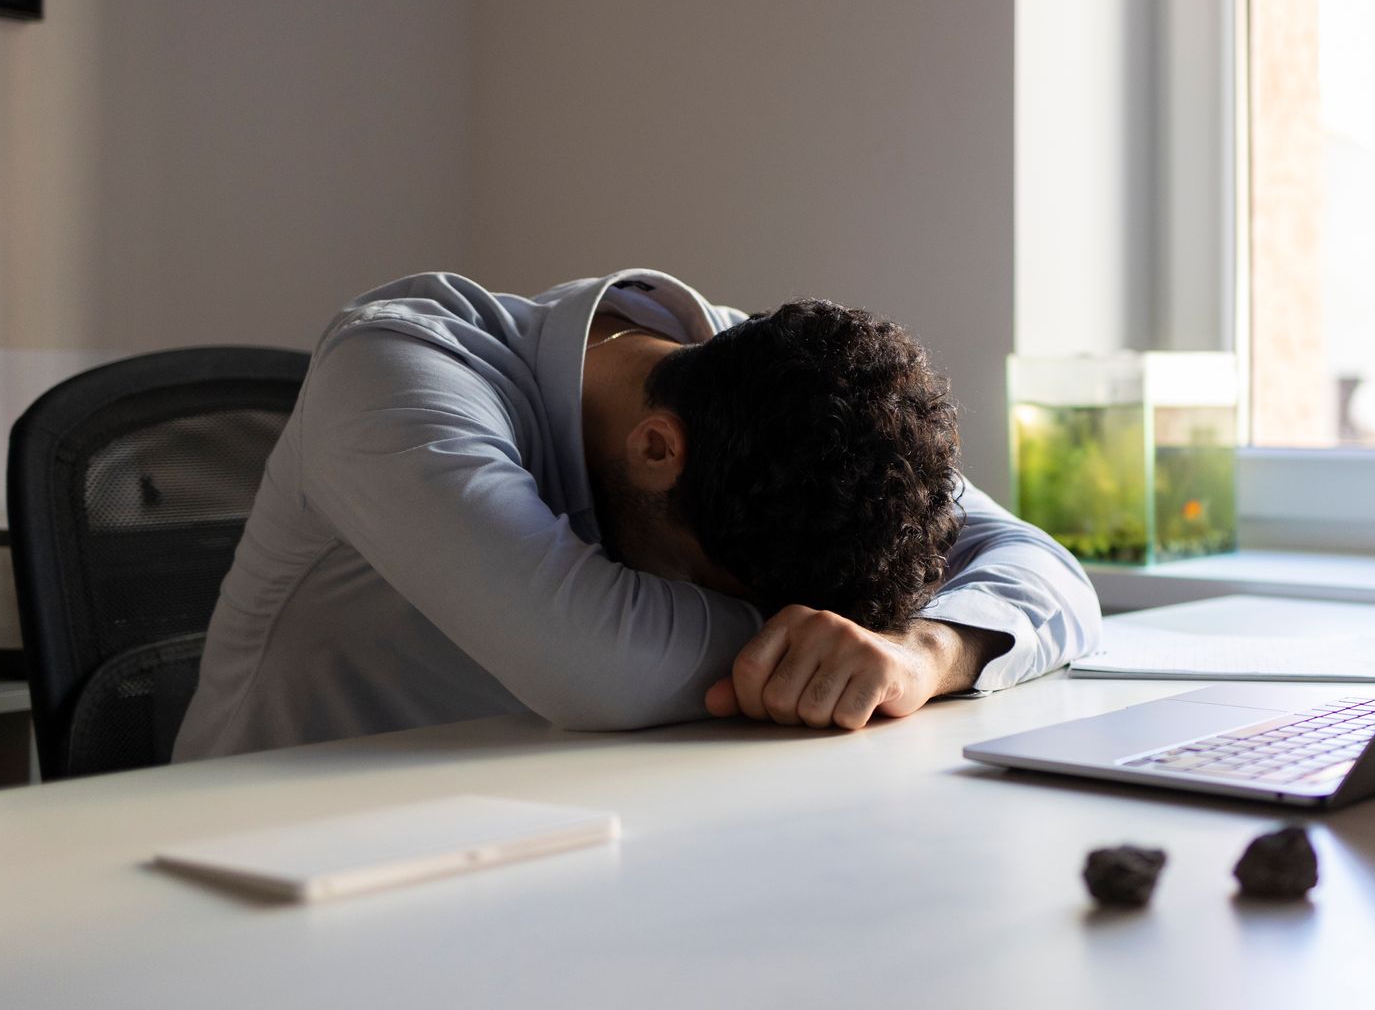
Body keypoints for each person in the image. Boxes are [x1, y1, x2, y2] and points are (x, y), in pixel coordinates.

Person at [174, 269, 1101, 760]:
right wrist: (812, 658)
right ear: (657, 450)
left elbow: (1048, 569)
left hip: (547, 829)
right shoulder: (397, 371)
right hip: (268, 872)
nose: (812, 635)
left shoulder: (771, 387)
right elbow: (591, 664)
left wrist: (919, 652)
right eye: (718, 588)